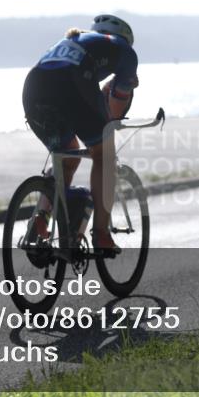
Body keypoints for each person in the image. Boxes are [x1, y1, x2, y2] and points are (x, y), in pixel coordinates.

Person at [22, 14, 138, 254]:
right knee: (104, 156)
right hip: (71, 85)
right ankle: (102, 235)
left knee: (68, 155)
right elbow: (116, 104)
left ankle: (40, 219)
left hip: (33, 87)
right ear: (125, 38)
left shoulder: (71, 42)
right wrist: (110, 126)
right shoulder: (125, 51)